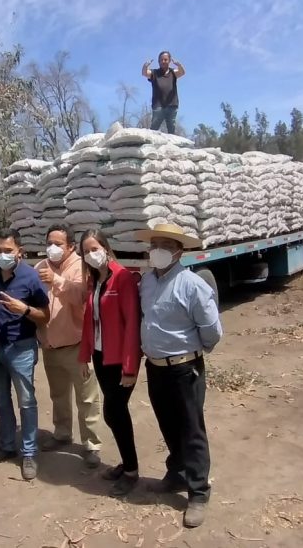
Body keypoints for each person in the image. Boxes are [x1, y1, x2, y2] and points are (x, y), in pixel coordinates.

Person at [135, 223, 223, 528]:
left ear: (178, 251)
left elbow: (212, 331)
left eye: (164, 245)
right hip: (156, 368)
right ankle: (177, 474)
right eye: (153, 244)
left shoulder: (193, 284)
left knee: (191, 429)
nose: (156, 250)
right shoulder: (146, 282)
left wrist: (194, 354)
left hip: (185, 369)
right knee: (168, 425)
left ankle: (199, 491)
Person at [0, 228, 51, 480]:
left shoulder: (31, 277)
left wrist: (25, 309)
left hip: (21, 347)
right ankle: (7, 446)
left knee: (27, 401)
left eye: (7, 251)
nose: (2, 254)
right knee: (0, 400)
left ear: (19, 251)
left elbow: (46, 315)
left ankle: (29, 452)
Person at [76, 229, 142, 496]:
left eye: (95, 248)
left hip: (119, 361)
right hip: (101, 357)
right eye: (86, 251)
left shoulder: (123, 278)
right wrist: (84, 357)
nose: (91, 254)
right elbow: (88, 322)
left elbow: (132, 326)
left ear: (105, 247)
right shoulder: (94, 280)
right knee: (115, 412)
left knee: (114, 412)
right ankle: (127, 464)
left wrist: (130, 367)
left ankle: (131, 471)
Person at [35, 224, 103, 468]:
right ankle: (62, 433)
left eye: (58, 244)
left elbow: (81, 297)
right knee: (58, 395)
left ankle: (92, 444)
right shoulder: (39, 267)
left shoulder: (80, 266)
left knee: (87, 399)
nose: (52, 248)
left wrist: (57, 281)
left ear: (71, 246)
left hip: (77, 346)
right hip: (50, 345)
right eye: (49, 243)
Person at [141, 51, 186, 133]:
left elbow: (182, 72)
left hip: (172, 104)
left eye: (165, 59)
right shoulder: (154, 73)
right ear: (158, 62)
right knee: (154, 128)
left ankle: (172, 145)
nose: (163, 61)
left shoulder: (173, 72)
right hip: (158, 105)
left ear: (169, 61)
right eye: (161, 60)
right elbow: (144, 73)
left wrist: (179, 65)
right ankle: (149, 144)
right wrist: (145, 66)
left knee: (171, 128)